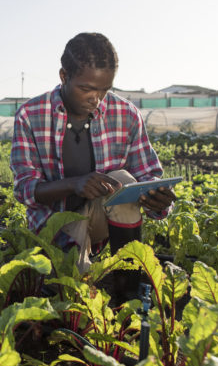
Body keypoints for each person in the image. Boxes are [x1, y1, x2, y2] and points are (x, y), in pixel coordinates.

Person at [10, 32, 176, 302]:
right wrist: (73, 184)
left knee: (123, 180)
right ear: (64, 76)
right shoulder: (31, 115)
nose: (96, 98)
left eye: (104, 89)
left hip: (97, 223)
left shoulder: (126, 114)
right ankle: (69, 274)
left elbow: (148, 175)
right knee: (69, 298)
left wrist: (157, 200)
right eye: (86, 88)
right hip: (52, 229)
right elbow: (25, 190)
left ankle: (128, 299)